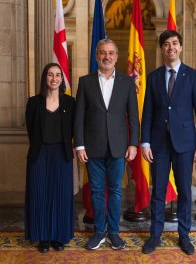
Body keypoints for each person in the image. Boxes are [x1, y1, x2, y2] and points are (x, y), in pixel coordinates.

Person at [141, 30, 196, 255]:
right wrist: (145, 142)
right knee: (158, 192)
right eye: (167, 44)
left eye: (175, 43)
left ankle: (184, 236)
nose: (171, 47)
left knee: (185, 192)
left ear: (180, 47)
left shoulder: (193, 76)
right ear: (162, 48)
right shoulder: (153, 77)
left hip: (186, 144)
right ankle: (155, 235)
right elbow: (148, 112)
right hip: (159, 145)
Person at [74, 38, 139, 250]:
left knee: (116, 192)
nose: (107, 57)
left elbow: (133, 117)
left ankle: (114, 233)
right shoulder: (85, 82)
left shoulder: (127, 82)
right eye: (102, 53)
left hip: (119, 147)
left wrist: (133, 144)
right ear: (96, 56)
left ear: (117, 57)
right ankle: (99, 233)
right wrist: (80, 145)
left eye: (111, 53)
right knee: (97, 192)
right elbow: (79, 117)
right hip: (92, 147)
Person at [24, 63, 76, 253]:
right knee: (41, 195)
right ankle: (43, 238)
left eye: (57, 75)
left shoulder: (70, 103)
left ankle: (58, 237)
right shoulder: (33, 102)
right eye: (50, 75)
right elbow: (31, 130)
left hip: (62, 156)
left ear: (62, 79)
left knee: (60, 196)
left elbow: (73, 129)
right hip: (40, 155)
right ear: (44, 78)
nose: (54, 79)